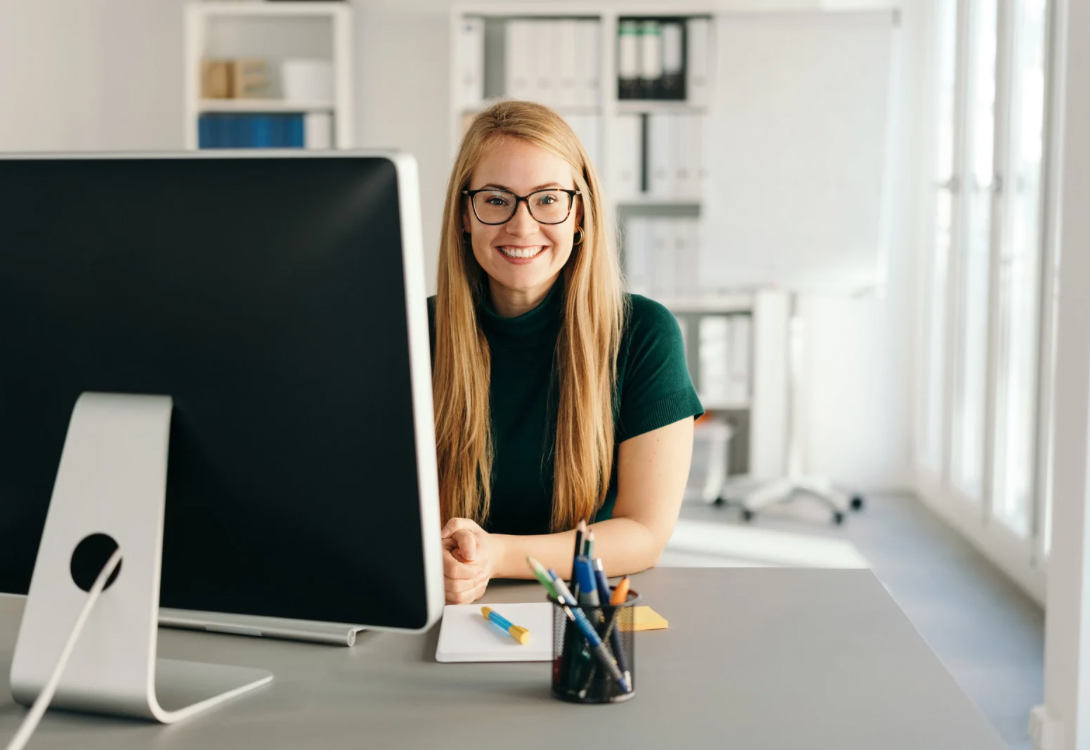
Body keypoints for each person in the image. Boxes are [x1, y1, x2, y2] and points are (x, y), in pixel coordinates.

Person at [429, 100, 703, 604]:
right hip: (445, 606)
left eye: (548, 199)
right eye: (496, 199)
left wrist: (495, 556)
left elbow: (645, 534)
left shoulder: (643, 333)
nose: (521, 225)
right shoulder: (411, 332)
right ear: (465, 215)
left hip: (583, 613)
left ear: (579, 213)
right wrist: (436, 559)